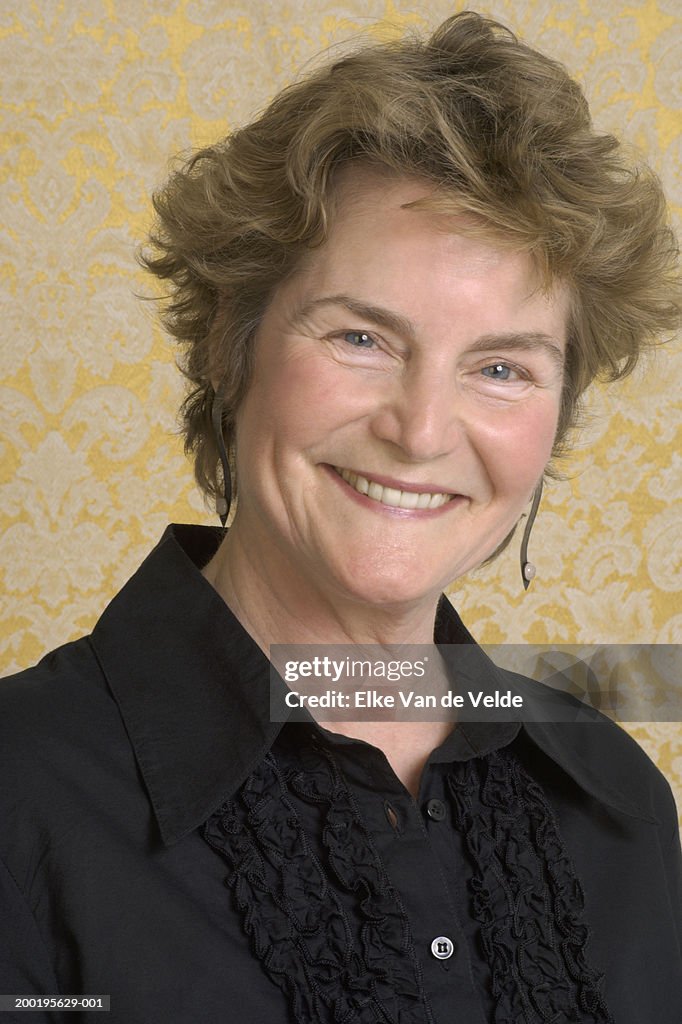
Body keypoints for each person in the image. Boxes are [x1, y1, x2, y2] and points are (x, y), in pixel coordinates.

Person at [0, 10, 680, 1023]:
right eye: (362, 336)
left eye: (500, 367)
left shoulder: (619, 803)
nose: (420, 430)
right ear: (235, 345)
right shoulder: (23, 795)